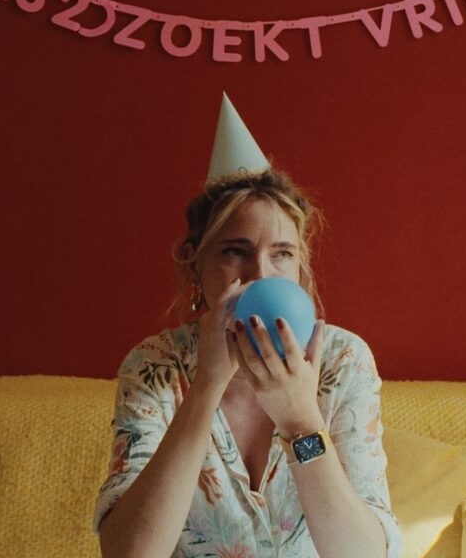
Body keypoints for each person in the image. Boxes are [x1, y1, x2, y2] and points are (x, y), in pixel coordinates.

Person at [93, 97, 401, 558]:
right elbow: (129, 553)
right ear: (195, 265)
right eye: (235, 252)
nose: (260, 275)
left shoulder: (342, 361)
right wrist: (206, 386)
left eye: (281, 254)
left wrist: (301, 420)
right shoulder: (155, 365)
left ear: (300, 267)